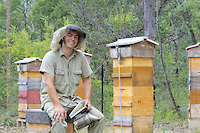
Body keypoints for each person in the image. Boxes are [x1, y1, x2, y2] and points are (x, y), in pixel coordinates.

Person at [39, 24, 104, 133]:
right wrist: (57, 106)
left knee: (99, 118)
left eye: (76, 37)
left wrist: (87, 99)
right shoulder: (50, 57)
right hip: (52, 100)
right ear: (63, 37)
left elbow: (87, 80)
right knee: (59, 118)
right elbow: (48, 83)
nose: (73, 39)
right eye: (70, 35)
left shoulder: (80, 57)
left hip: (72, 100)